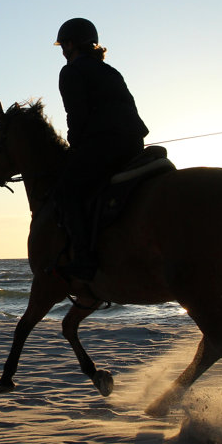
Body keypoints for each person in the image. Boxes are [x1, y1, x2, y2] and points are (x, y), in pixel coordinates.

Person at [54, 17, 149, 280]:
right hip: (134, 143)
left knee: (65, 191)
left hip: (103, 144)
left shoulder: (72, 71)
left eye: (63, 45)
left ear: (72, 44)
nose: (62, 51)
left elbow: (76, 115)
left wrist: (75, 147)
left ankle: (84, 258)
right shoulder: (110, 70)